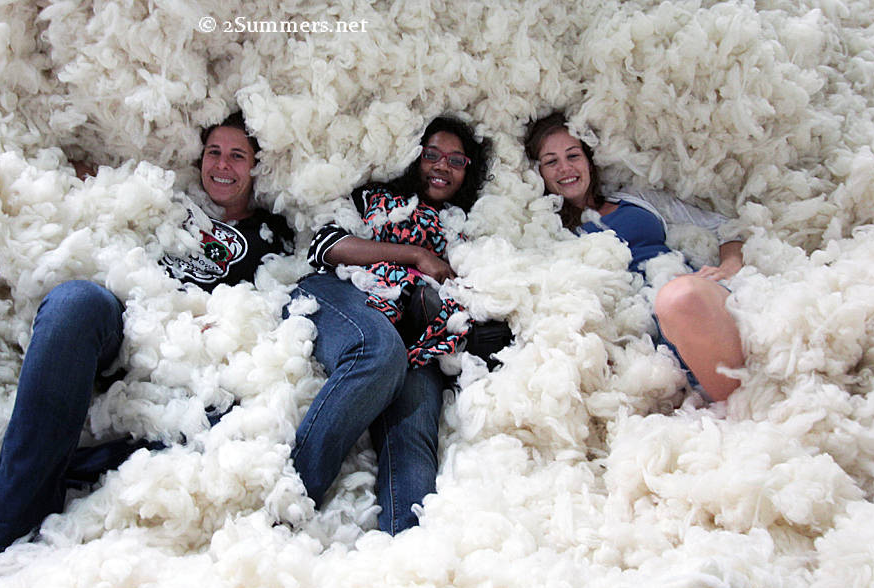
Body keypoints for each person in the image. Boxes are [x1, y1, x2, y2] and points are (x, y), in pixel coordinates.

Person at [0, 113, 294, 588]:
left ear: (256, 168)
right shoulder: (174, 205)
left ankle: (72, 466)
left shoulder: (271, 232)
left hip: (195, 362)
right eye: (215, 152)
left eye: (238, 156)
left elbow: (278, 299)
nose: (223, 165)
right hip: (128, 323)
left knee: (233, 430)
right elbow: (104, 185)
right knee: (74, 303)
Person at [287, 116, 492, 535]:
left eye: (455, 160)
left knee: (415, 433)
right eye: (432, 154)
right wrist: (415, 256)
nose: (441, 166)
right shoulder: (378, 199)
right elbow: (327, 246)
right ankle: (286, 506)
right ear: (415, 158)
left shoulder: (465, 231)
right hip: (346, 295)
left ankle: (407, 561)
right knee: (379, 352)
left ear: (468, 171)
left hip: (420, 335)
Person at [525, 112, 745, 401]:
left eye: (573, 155)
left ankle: (742, 403)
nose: (565, 168)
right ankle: (739, 409)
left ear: (589, 161)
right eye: (551, 161)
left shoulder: (637, 199)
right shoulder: (549, 233)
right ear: (539, 173)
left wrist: (730, 265)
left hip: (694, 297)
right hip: (646, 343)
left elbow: (725, 227)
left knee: (681, 297)